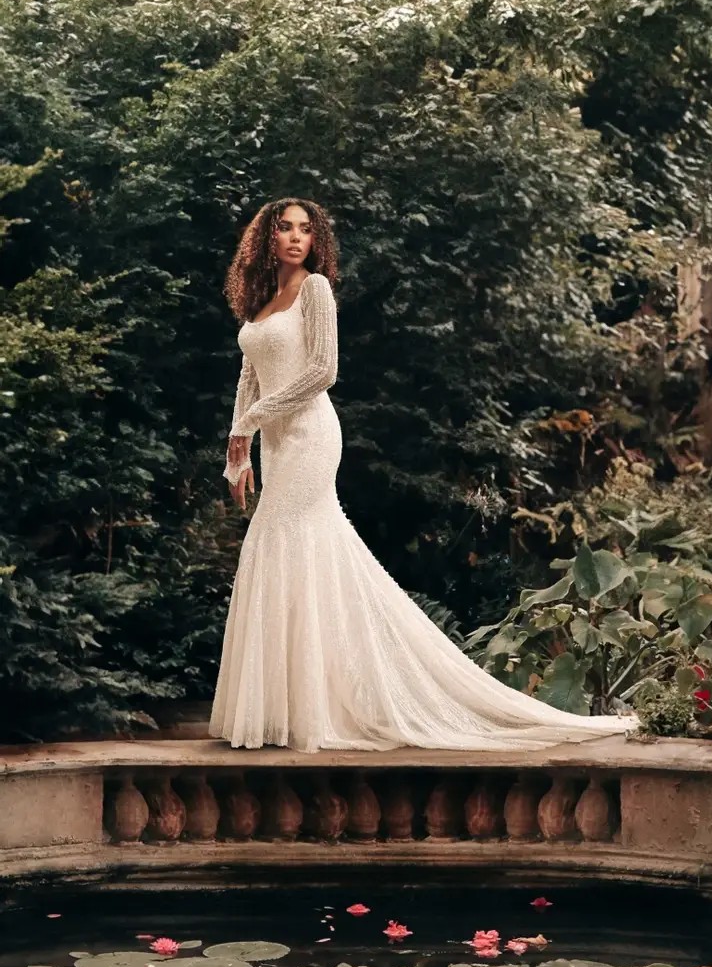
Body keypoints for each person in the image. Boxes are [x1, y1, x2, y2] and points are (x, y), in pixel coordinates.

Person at [209, 197, 637, 751]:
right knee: (281, 547)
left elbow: (323, 371)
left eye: (306, 230)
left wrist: (252, 420)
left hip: (311, 435)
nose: (296, 238)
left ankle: (327, 706)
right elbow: (251, 373)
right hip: (274, 442)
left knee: (297, 541)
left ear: (317, 241)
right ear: (267, 238)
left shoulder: (315, 290)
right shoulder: (258, 300)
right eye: (285, 228)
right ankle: (288, 706)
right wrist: (237, 449)